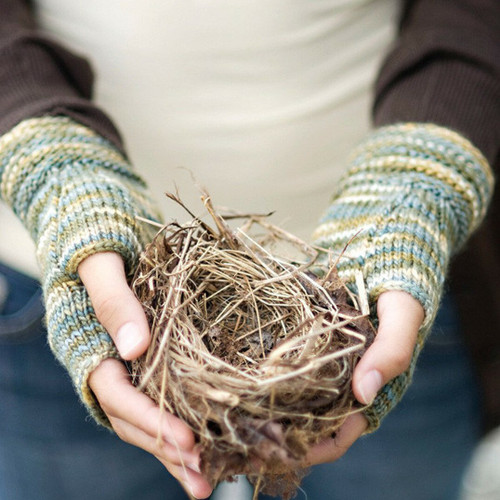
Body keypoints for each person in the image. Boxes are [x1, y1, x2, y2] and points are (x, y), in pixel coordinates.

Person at [0, 1, 498, 499]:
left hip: (389, 289)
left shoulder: (390, 261)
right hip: (64, 282)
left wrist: (414, 183)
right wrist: (55, 170)